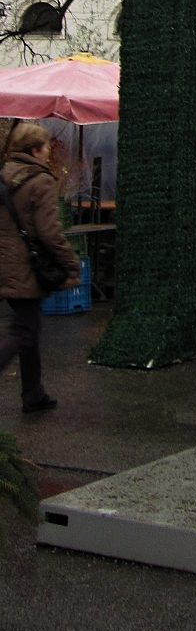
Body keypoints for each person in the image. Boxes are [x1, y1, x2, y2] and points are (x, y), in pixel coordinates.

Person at [0, 123, 80, 413]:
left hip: (5, 261)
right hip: (25, 265)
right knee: (23, 331)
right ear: (35, 150)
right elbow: (49, 232)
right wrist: (71, 263)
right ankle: (33, 395)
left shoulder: (4, 175)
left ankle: (34, 394)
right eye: (46, 146)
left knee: (29, 327)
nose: (49, 151)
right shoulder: (40, 181)